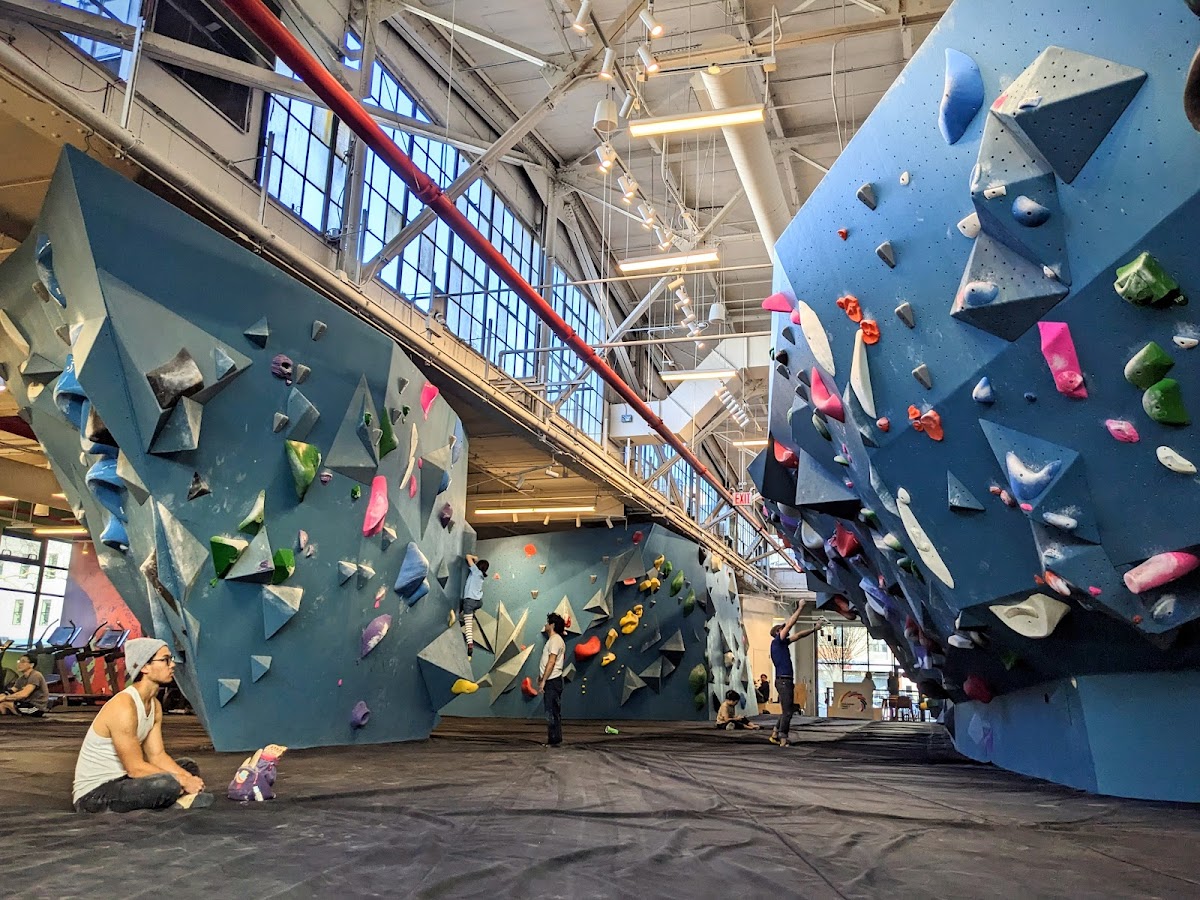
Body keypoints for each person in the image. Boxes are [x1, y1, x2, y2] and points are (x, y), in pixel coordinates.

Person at [72, 638, 213, 813]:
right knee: (168, 783)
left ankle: (176, 799)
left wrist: (188, 777)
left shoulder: (155, 706)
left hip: (124, 781)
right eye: (165, 660)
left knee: (188, 766)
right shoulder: (124, 706)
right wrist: (182, 781)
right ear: (145, 667)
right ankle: (178, 801)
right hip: (94, 795)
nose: (172, 665)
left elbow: (157, 756)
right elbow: (135, 768)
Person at [768, 606, 823, 748]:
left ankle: (775, 733)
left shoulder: (782, 643)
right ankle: (783, 738)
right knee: (788, 712)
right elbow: (790, 624)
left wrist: (814, 629)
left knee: (787, 709)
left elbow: (799, 635)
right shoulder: (778, 642)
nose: (786, 630)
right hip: (784, 681)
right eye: (782, 629)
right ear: (778, 632)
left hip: (784, 681)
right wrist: (801, 607)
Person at [534, 612, 566, 747]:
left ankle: (553, 740)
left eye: (547, 623)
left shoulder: (555, 640)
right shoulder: (554, 640)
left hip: (553, 681)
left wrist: (544, 681)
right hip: (551, 680)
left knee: (551, 711)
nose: (545, 625)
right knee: (553, 710)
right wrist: (541, 677)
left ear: (552, 625)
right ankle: (555, 739)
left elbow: (551, 662)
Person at [460, 553, 489, 657]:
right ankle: (468, 615)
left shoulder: (475, 571)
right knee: (467, 615)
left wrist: (475, 558)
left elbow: (467, 556)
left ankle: (470, 645)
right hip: (478, 602)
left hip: (469, 601)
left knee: (468, 626)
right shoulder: (481, 576)